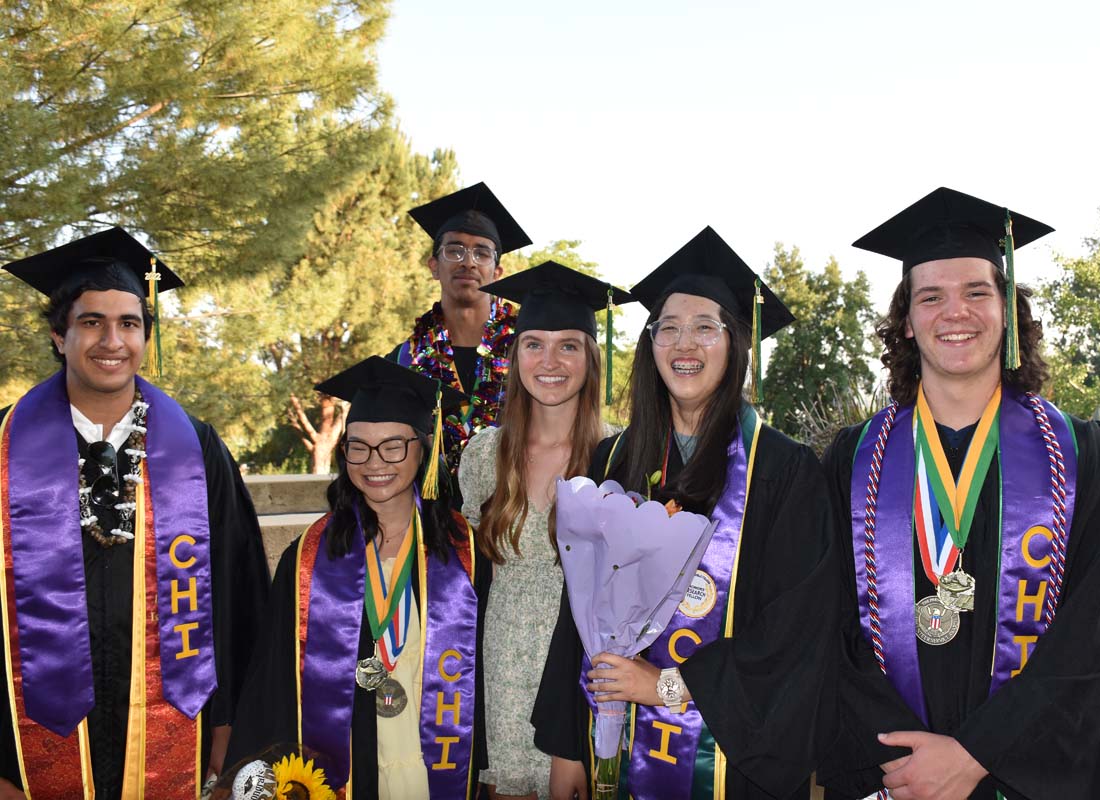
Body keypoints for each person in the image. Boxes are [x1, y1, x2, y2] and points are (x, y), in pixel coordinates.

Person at [817, 188, 1100, 800]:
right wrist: (910, 757)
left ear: (1008, 311)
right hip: (891, 772)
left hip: (1022, 776)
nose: (954, 312)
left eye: (976, 292)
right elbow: (825, 628)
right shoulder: (852, 463)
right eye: (930, 296)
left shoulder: (1085, 459)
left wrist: (975, 755)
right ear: (907, 322)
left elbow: (1098, 636)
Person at [533, 227, 839, 800]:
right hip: (616, 748)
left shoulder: (784, 470)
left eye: (706, 327)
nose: (684, 344)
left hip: (732, 763)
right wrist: (568, 747)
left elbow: (799, 630)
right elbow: (578, 611)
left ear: (737, 345)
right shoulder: (615, 458)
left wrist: (670, 686)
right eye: (667, 328)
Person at [0, 228, 270, 798]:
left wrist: (227, 723)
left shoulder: (194, 448)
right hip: (23, 736)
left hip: (172, 722)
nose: (111, 340)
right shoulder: (4, 445)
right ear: (58, 335)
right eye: (91, 321)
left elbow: (236, 586)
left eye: (129, 323)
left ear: (147, 336)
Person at [227, 356, 492, 799]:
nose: (374, 462)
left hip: (439, 761)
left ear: (423, 449)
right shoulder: (311, 557)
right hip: (350, 769)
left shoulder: (466, 553)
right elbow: (271, 679)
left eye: (393, 445)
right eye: (358, 446)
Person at [458, 262, 633, 799]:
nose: (550, 362)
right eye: (534, 344)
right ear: (514, 358)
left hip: (580, 684)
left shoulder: (621, 457)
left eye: (569, 346)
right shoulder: (485, 454)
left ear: (591, 358)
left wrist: (575, 743)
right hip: (496, 679)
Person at [387, 182, 532, 473]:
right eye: (454, 251)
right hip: (430, 514)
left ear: (497, 272)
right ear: (434, 266)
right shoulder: (403, 362)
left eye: (482, 253)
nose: (468, 262)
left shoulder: (529, 354)